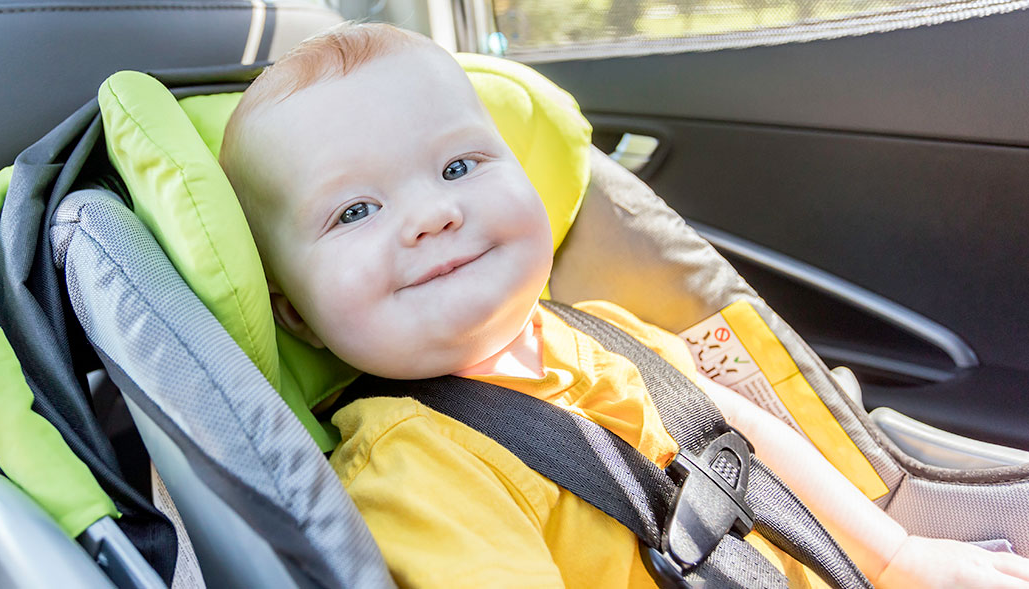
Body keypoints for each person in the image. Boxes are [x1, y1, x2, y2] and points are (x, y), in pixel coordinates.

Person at [219, 22, 1029, 588]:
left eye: (460, 166)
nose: (434, 213)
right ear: (291, 312)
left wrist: (897, 559)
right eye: (355, 211)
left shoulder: (611, 331)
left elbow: (749, 445)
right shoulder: (409, 471)